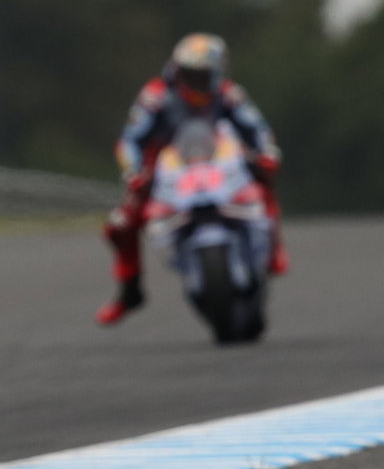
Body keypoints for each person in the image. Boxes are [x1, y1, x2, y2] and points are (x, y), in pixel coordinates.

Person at [96, 33, 285, 325]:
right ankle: (130, 290)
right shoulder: (156, 96)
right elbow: (129, 141)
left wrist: (268, 153)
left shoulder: (228, 93)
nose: (195, 81)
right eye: (190, 74)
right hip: (166, 169)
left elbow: (258, 129)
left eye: (203, 75)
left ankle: (273, 248)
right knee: (120, 225)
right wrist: (133, 171)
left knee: (262, 180)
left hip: (220, 163)